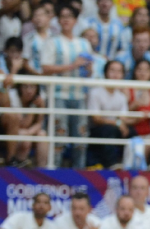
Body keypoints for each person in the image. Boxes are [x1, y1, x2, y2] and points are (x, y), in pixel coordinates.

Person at [41, 4, 92, 169]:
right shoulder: (52, 42)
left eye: (69, 16)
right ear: (58, 20)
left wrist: (89, 68)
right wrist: (71, 66)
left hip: (79, 94)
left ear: (75, 20)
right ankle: (55, 169)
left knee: (81, 136)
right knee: (59, 134)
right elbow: (45, 67)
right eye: (62, 16)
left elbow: (88, 71)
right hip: (58, 95)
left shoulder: (84, 43)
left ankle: (80, 170)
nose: (66, 20)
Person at [86, 60, 136, 168]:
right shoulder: (95, 92)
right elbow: (96, 119)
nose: (115, 74)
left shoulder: (121, 97)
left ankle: (130, 166)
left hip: (114, 128)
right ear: (105, 73)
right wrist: (117, 123)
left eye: (119, 71)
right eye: (112, 70)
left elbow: (123, 118)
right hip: (97, 130)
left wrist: (139, 118)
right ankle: (112, 165)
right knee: (109, 130)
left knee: (132, 133)